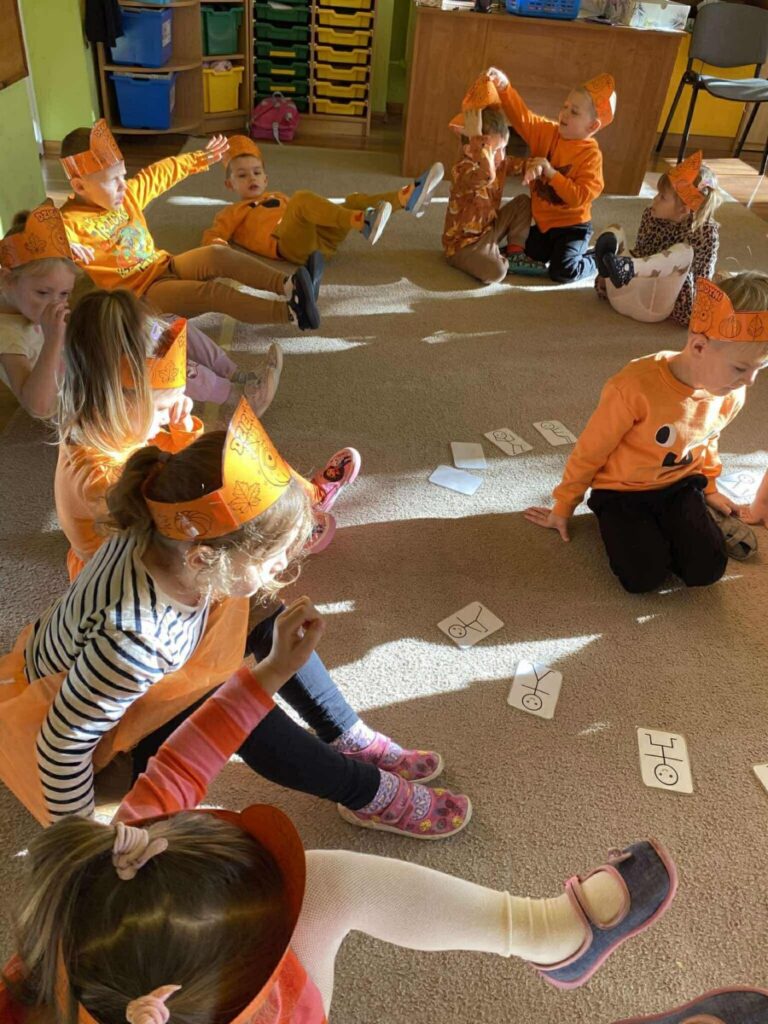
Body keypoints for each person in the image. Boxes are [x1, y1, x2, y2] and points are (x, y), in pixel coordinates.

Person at [2, 624, 678, 1022]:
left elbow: (186, 754)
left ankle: (546, 936)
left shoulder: (122, 861)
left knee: (326, 879)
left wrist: (267, 675)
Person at [0, 399, 468, 838]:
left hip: (115, 680)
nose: (283, 567)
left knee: (259, 606)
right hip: (100, 754)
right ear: (203, 558)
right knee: (236, 710)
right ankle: (364, 793)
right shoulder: (134, 642)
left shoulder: (160, 534)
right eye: (273, 557)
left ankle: (344, 732)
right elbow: (60, 749)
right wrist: (83, 844)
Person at [54, 288, 354, 577]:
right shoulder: (101, 479)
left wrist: (183, 430)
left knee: (227, 451)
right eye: (163, 408)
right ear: (116, 402)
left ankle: (309, 497)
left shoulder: (117, 426)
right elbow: (168, 537)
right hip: (128, 569)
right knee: (222, 534)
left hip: (149, 526)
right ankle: (283, 535)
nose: (171, 414)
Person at [524, 272, 768, 593]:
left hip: (680, 485)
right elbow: (591, 450)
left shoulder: (731, 392)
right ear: (698, 346)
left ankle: (687, 522)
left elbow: (708, 438)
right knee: (642, 578)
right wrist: (564, 505)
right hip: (621, 491)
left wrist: (710, 488)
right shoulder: (633, 387)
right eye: (741, 368)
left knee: (708, 570)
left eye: (761, 368)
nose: (750, 381)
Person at [58, 120, 320, 329]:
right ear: (79, 186)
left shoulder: (127, 195)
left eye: (123, 175)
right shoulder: (67, 223)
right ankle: (292, 313)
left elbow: (160, 173)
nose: (123, 186)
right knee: (213, 294)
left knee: (218, 254)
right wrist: (61, 246)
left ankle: (290, 286)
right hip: (143, 296)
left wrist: (199, 159)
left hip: (165, 265)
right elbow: (39, 240)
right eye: (112, 181)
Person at [202, 135, 444, 263]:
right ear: (230, 185)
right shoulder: (232, 212)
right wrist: (220, 251)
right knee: (301, 199)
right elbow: (214, 236)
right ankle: (363, 221)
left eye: (256, 172)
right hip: (290, 247)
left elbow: (313, 213)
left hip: (321, 241)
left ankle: (406, 197)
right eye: (242, 175)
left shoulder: (278, 196)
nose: (251, 178)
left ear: (266, 179)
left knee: (353, 200)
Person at [478, 66, 614, 283]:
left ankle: (599, 257)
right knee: (508, 255)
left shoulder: (591, 155)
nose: (564, 113)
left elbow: (578, 197)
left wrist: (551, 173)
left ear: (592, 126)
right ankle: (551, 251)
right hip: (543, 227)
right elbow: (522, 117)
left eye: (574, 112)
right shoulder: (547, 132)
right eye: (565, 106)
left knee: (562, 271)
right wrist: (504, 87)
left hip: (573, 228)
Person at [593, 150, 721, 326]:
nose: (654, 199)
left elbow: (702, 279)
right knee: (615, 230)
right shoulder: (651, 215)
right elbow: (641, 251)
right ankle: (609, 270)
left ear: (684, 209)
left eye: (662, 197)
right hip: (626, 294)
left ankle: (629, 268)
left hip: (661, 306)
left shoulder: (705, 232)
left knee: (683, 252)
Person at [0, 202, 79, 418]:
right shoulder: (8, 335)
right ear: (7, 280)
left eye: (64, 293)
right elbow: (38, 408)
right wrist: (53, 340)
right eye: (42, 293)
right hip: (63, 415)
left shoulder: (27, 307)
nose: (55, 304)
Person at [442, 88, 529, 285]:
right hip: (464, 246)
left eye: (504, 148)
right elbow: (486, 175)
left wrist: (538, 167)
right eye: (494, 150)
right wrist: (477, 140)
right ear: (470, 149)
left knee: (523, 203)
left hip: (489, 228)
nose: (501, 156)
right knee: (496, 272)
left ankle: (515, 253)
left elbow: (519, 164)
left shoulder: (500, 163)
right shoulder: (463, 170)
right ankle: (496, 257)